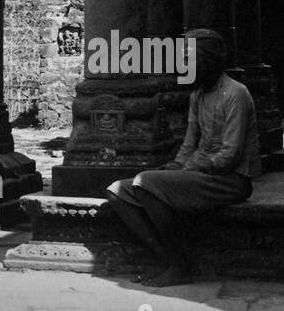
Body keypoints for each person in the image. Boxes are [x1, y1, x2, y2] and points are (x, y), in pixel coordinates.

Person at [104, 29, 261, 288]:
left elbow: (230, 155)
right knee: (117, 191)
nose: (184, 66)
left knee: (146, 184)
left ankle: (180, 265)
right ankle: (165, 258)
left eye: (189, 60)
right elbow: (189, 145)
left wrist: (185, 170)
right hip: (197, 175)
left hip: (230, 181)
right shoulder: (197, 96)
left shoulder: (236, 94)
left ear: (209, 61)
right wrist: (176, 167)